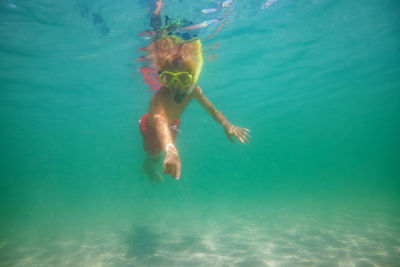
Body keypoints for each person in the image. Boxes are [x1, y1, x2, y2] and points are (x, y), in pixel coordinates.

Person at [139, 0, 250, 183]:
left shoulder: (193, 90)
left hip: (174, 123)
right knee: (155, 155)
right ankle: (148, 166)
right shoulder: (159, 97)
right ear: (162, 77)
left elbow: (212, 110)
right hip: (150, 128)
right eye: (169, 78)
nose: (175, 86)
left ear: (191, 77)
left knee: (165, 151)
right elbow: (159, 120)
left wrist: (227, 125)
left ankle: (158, 158)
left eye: (182, 79)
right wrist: (170, 149)